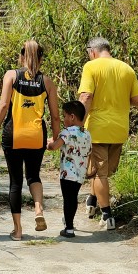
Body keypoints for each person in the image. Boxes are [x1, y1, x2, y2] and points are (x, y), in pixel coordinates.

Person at [0, 40, 60, 240]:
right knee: (33, 176)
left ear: (21, 57)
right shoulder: (46, 82)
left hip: (13, 134)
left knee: (15, 182)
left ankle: (18, 231)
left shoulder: (11, 75)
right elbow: (55, 116)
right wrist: (55, 140)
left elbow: (4, 105)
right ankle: (38, 209)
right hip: (36, 136)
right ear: (41, 59)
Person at [78, 36, 138, 230]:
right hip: (119, 129)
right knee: (102, 172)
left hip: (98, 129)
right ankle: (91, 201)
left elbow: (86, 96)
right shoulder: (126, 69)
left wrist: (79, 122)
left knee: (100, 173)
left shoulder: (91, 67)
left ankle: (107, 215)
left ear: (92, 51)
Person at [47, 100, 92, 238]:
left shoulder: (67, 132)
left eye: (65, 116)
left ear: (72, 117)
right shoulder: (87, 134)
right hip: (80, 173)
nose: (63, 119)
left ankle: (69, 228)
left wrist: (47, 144)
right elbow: (89, 152)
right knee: (73, 198)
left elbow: (55, 146)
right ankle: (69, 222)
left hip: (67, 173)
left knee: (68, 199)